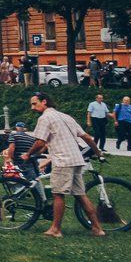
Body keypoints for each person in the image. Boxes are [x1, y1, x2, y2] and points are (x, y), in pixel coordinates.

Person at [31, 92, 105, 238]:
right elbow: (86, 137)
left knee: (58, 194)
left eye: (34, 103)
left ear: (44, 101)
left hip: (63, 160)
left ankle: (55, 229)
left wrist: (28, 154)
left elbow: (40, 142)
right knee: (80, 195)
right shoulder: (65, 116)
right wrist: (98, 152)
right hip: (77, 159)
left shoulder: (45, 118)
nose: (32, 107)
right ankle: (97, 228)